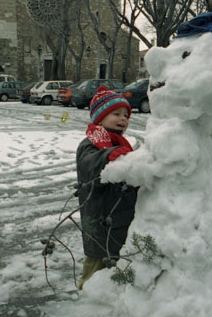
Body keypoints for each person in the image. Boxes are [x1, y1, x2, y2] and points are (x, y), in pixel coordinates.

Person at [76, 85, 137, 289]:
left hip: (120, 217)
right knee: (97, 263)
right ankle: (88, 297)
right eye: (116, 114)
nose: (123, 119)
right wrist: (107, 156)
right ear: (100, 118)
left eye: (126, 115)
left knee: (116, 263)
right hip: (99, 217)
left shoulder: (121, 143)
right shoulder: (90, 143)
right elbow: (89, 165)